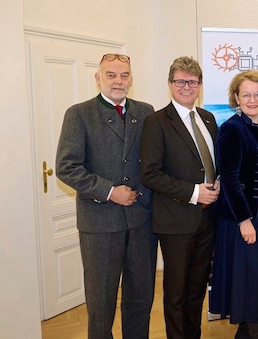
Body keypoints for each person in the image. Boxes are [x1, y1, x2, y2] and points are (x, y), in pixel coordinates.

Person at [56, 53, 157, 339]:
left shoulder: (146, 111)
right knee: (101, 304)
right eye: (111, 75)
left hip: (140, 222)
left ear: (132, 80)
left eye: (124, 75)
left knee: (141, 297)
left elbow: (154, 162)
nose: (118, 80)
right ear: (98, 78)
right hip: (99, 224)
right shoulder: (79, 114)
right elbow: (67, 167)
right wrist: (110, 192)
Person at [140, 56, 220, 339]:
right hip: (175, 222)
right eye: (181, 81)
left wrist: (217, 182)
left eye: (192, 82)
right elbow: (150, 174)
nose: (187, 87)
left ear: (199, 85)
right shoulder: (156, 122)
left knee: (197, 290)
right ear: (170, 84)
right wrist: (195, 192)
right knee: (175, 294)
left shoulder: (208, 119)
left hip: (208, 219)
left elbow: (211, 163)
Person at [210, 69, 258, 339]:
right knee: (250, 274)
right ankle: (254, 331)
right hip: (244, 215)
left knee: (256, 274)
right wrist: (244, 220)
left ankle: (247, 330)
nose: (252, 99)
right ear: (236, 97)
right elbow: (229, 178)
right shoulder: (232, 128)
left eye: (257, 94)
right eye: (246, 95)